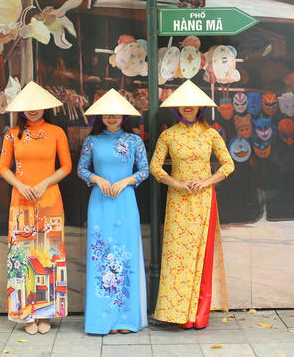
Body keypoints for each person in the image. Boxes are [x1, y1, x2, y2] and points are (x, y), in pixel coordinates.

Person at [150, 80, 235, 329]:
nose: (188, 107)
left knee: (202, 255)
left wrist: (207, 181)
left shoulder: (211, 134)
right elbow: (155, 167)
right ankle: (176, 314)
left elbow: (229, 165)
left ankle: (198, 316)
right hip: (177, 202)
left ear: (201, 107)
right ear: (177, 108)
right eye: (183, 104)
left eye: (193, 104)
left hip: (203, 201)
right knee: (177, 257)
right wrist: (176, 183)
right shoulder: (168, 135)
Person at [0, 81, 72, 335]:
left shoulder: (56, 132)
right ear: (21, 109)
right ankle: (25, 313)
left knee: (48, 257)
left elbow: (66, 166)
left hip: (50, 200)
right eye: (28, 106)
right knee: (21, 258)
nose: (33, 110)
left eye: (38, 106)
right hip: (21, 202)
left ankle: (46, 313)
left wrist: (44, 183)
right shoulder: (12, 134)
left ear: (45, 107)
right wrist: (20, 185)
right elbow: (3, 168)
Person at [77, 89, 149, 335]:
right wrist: (97, 178)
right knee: (102, 257)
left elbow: (144, 171)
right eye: (107, 114)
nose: (111, 117)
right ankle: (102, 320)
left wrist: (126, 181)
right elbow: (81, 170)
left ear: (123, 116)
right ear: (100, 116)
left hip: (125, 201)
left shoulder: (134, 141)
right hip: (100, 203)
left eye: (116, 114)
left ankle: (125, 319)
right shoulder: (92, 141)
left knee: (126, 254)